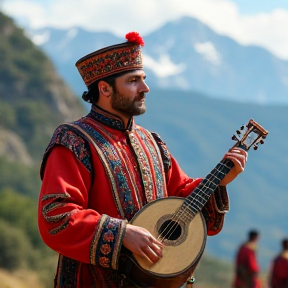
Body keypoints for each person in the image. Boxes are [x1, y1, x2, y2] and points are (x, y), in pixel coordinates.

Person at [38, 31, 247, 288]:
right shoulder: (73, 140)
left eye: (144, 79)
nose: (145, 88)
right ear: (104, 88)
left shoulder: (152, 142)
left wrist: (218, 182)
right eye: (134, 81)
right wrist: (121, 233)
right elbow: (56, 216)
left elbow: (181, 197)